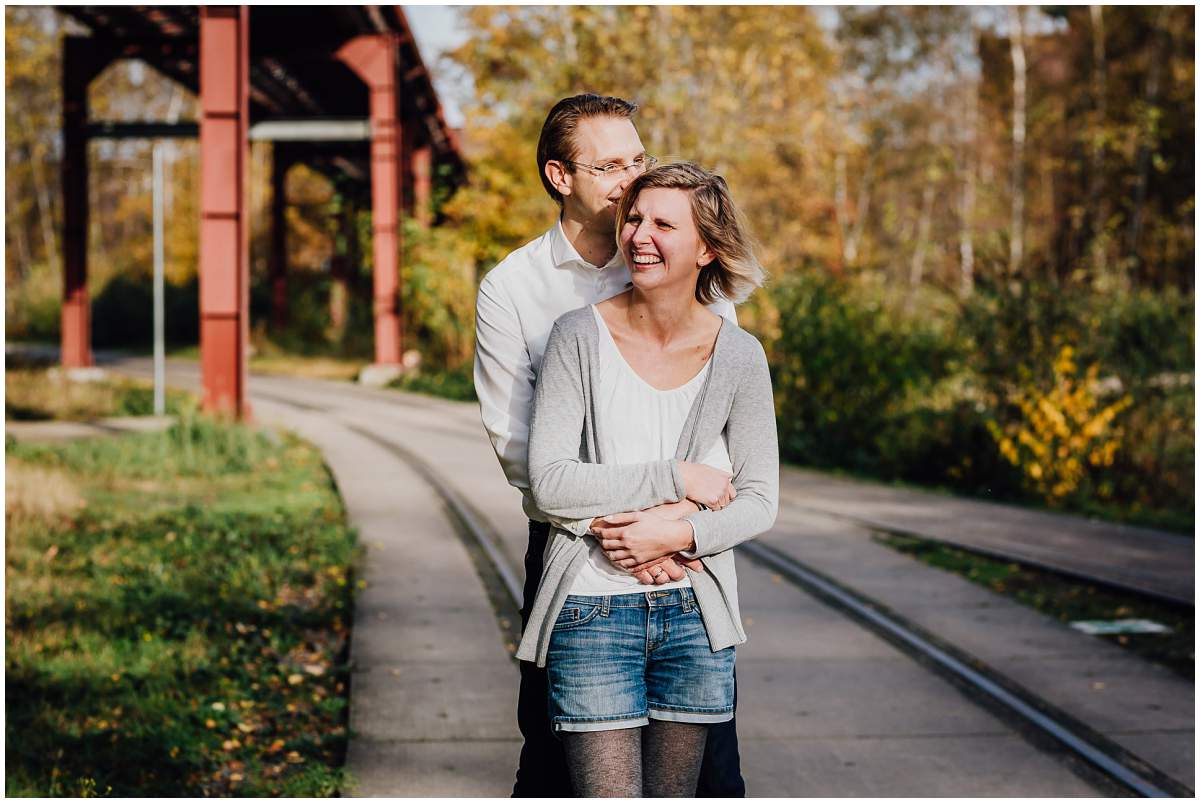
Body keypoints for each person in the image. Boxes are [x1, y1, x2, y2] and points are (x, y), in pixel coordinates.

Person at [473, 94, 746, 796]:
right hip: (570, 550)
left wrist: (673, 529)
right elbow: (518, 445)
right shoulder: (514, 289)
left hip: (687, 553)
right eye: (611, 165)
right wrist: (628, 529)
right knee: (555, 765)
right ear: (561, 176)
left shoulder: (688, 268)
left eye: (638, 159)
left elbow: (723, 427)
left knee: (711, 772)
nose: (631, 179)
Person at [516, 161, 779, 797]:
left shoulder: (740, 356)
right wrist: (675, 477)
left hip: (694, 612)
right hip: (590, 608)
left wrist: (675, 534)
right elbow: (549, 481)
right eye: (635, 217)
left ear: (708, 248)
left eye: (664, 223)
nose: (639, 234)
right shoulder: (577, 336)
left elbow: (759, 502)